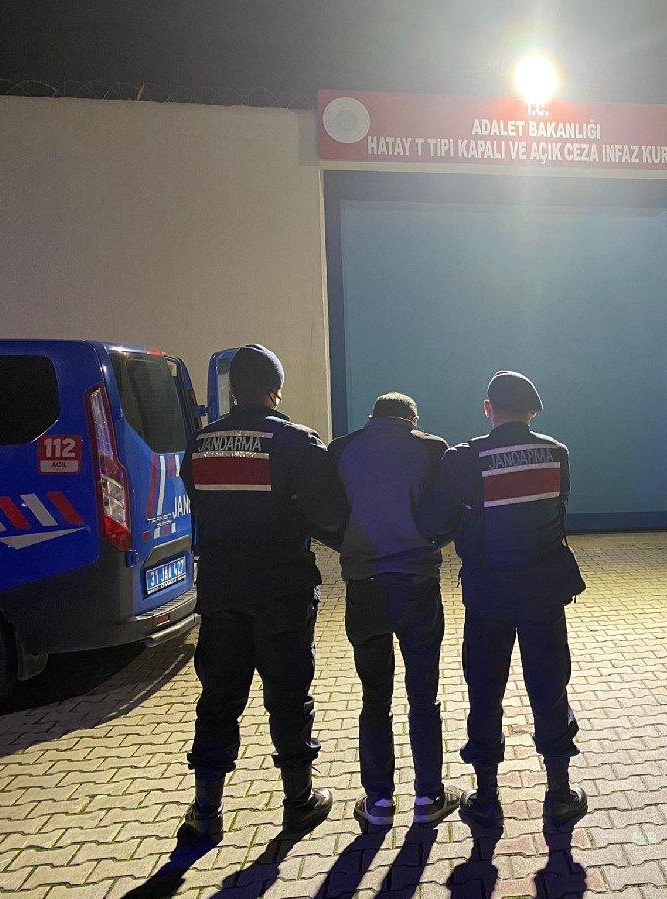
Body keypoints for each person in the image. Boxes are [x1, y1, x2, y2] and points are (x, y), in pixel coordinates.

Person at [178, 344, 348, 842]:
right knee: (289, 696)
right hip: (281, 590)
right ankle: (299, 803)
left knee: (218, 699)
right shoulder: (295, 442)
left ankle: (206, 811)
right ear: (276, 390)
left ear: (233, 389)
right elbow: (329, 514)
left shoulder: (201, 444)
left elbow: (199, 502)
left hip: (221, 593)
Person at [419, 371, 588, 830]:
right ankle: (559, 793)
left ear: (488, 408)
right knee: (549, 686)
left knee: (485, 688)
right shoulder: (556, 453)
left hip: (488, 593)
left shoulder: (464, 458)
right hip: (543, 592)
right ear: (531, 411)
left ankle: (487, 794)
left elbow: (434, 521)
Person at [329, 392, 462, 828]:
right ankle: (429, 797)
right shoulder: (432, 449)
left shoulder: (342, 449)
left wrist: (351, 547)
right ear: (412, 419)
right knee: (423, 694)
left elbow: (328, 514)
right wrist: (431, 543)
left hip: (364, 586)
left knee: (374, 697)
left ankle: (379, 802)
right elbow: (446, 513)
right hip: (416, 582)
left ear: (373, 417)